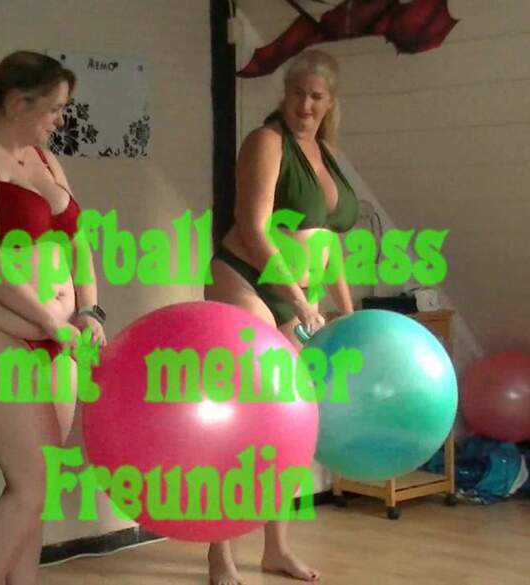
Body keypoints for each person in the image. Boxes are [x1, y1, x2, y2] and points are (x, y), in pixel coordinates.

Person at [0, 50, 106, 585]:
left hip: (58, 338)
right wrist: (50, 322)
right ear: (16, 103)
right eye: (53, 108)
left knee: (39, 486)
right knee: (33, 483)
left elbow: (79, 242)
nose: (60, 119)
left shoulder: (46, 160)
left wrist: (88, 309)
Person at [204, 49, 358, 584]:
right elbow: (253, 228)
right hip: (248, 280)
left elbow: (330, 245)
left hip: (298, 294)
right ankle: (220, 552)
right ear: (284, 95)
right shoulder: (266, 142)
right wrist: (297, 298)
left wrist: (347, 309)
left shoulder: (327, 153)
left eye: (316, 96)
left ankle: (276, 549)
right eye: (297, 93)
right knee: (242, 417)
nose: (305, 105)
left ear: (330, 102)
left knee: (286, 423)